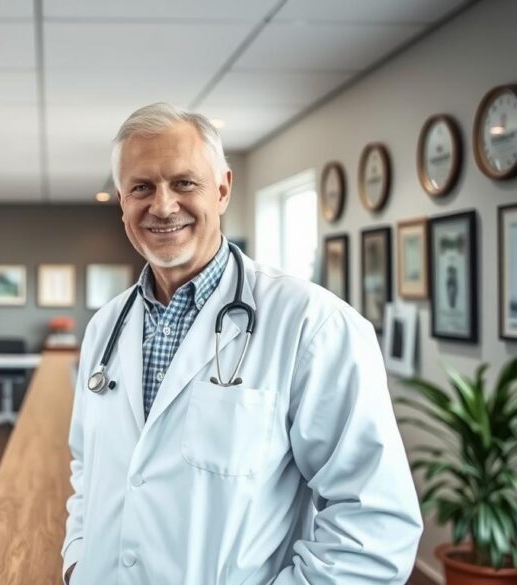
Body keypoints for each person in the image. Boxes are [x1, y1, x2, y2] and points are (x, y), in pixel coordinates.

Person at [62, 103, 422, 584]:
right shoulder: (105, 328)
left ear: (223, 189)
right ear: (123, 203)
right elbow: (89, 467)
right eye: (141, 187)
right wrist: (77, 562)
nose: (163, 205)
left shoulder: (312, 324)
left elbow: (376, 526)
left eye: (184, 182)